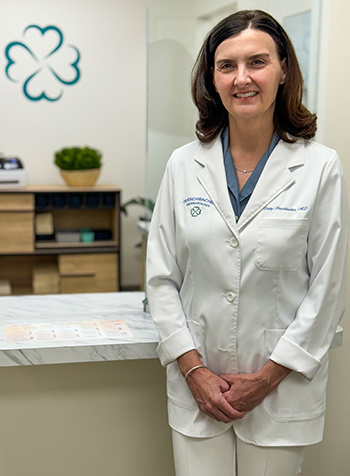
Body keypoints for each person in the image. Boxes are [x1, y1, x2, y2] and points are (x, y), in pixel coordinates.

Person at [146, 9, 348, 476]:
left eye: (257, 62)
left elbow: (327, 289)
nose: (242, 79)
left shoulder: (320, 167)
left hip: (281, 389)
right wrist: (194, 370)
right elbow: (160, 278)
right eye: (226, 65)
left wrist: (267, 377)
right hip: (199, 388)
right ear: (211, 79)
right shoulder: (182, 164)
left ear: (284, 71)